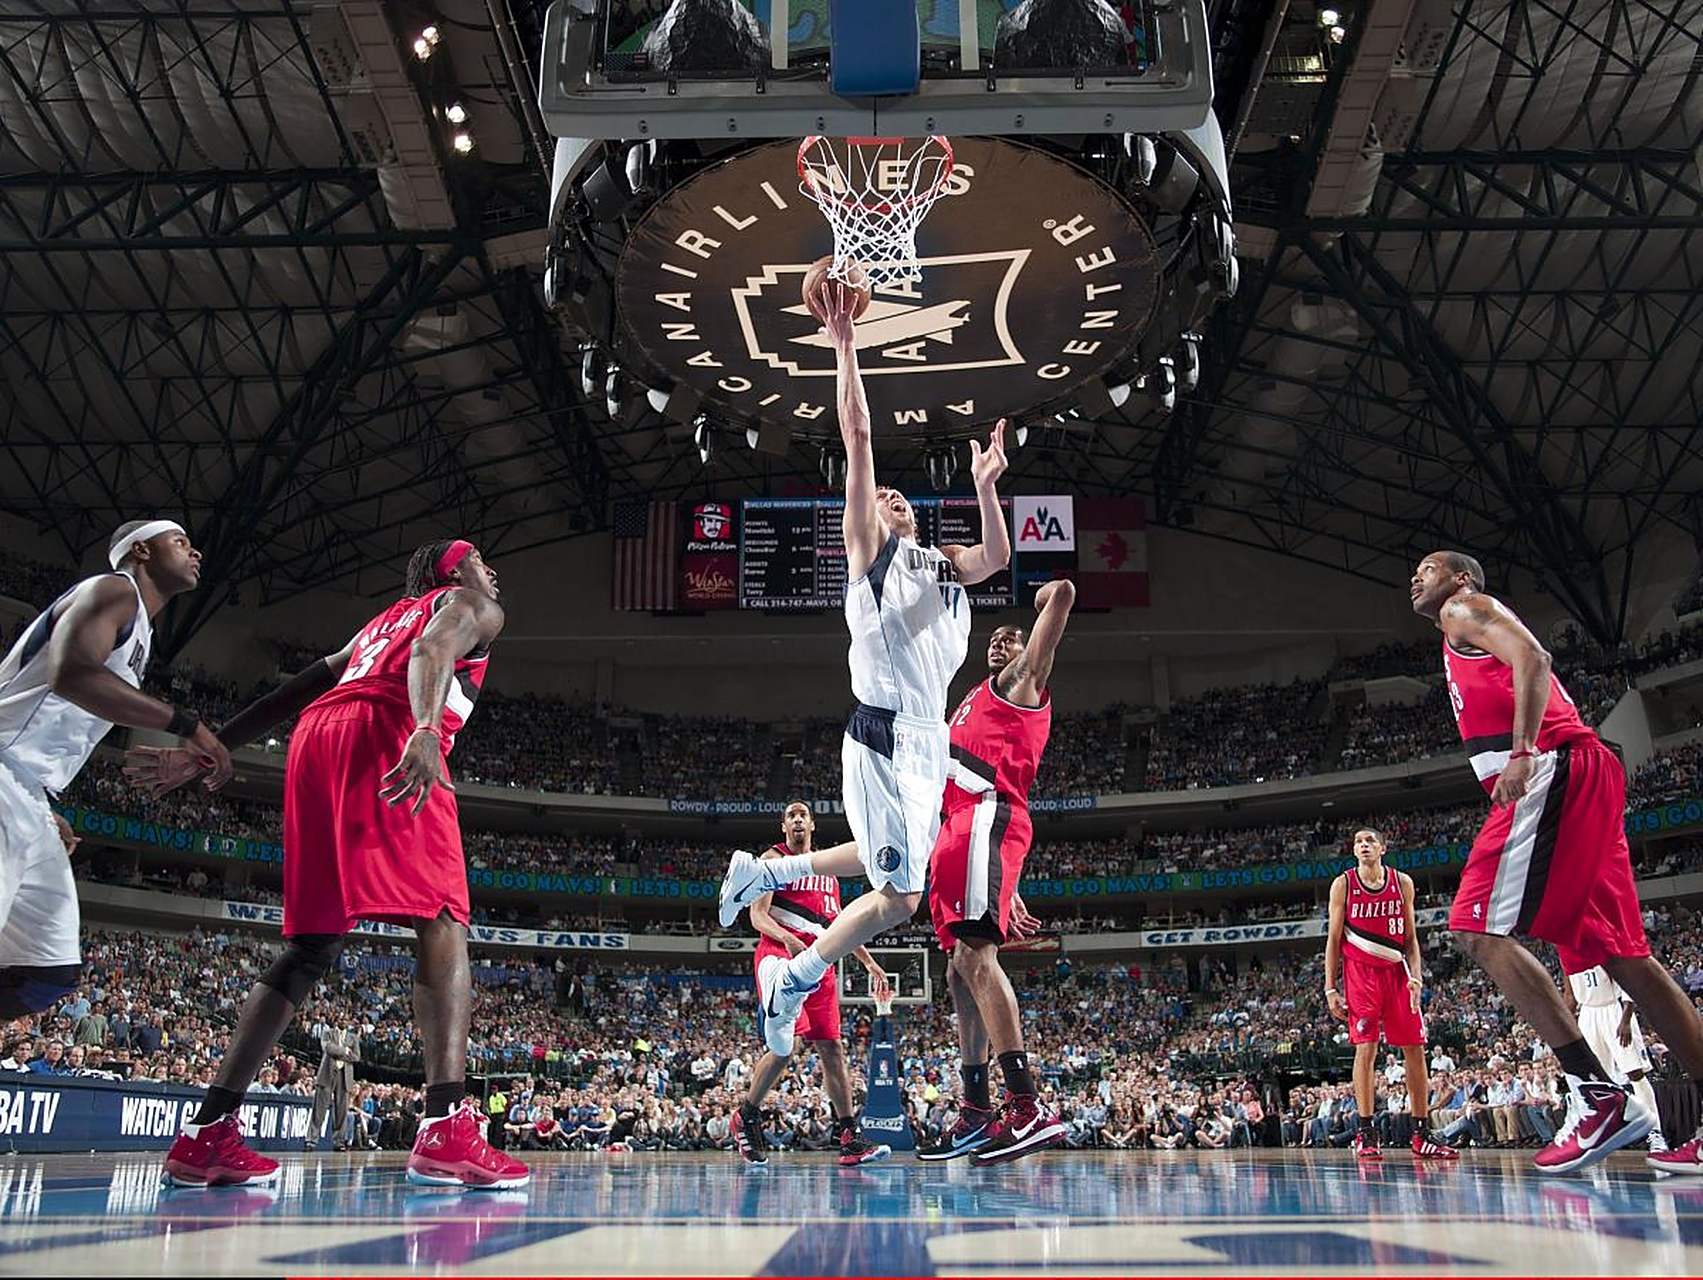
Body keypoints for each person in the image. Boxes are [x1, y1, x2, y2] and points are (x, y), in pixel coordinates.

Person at [129, 538, 528, 1190]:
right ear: (451, 570)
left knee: (312, 945)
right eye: (482, 557)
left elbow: (297, 690)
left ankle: (208, 1133)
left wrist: (210, 748)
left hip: (317, 739)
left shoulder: (377, 623)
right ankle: (445, 1127)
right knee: (444, 916)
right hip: (385, 727)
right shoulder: (470, 604)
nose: (493, 569)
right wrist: (426, 732)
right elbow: (432, 653)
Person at [719, 276, 1011, 1059]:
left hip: (925, 745)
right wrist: (845, 343)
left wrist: (985, 487)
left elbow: (995, 556)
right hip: (883, 731)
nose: (890, 495)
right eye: (879, 497)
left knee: (897, 868)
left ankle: (760, 874)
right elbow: (855, 436)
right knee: (901, 894)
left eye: (898, 495)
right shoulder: (870, 556)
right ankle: (800, 973)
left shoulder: (941, 566)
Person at [1412, 550, 1703, 1173]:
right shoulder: (1456, 634)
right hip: (1586, 773)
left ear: (1461, 579)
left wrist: (1521, 751)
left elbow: (1535, 658)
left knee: (1472, 929)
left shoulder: (1467, 608)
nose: (1417, 576)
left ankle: (1599, 1097)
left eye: (1429, 567)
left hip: (1554, 767)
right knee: (1629, 958)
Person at [0, 520, 231, 1022]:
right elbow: (72, 673)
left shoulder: (140, 631)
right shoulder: (113, 589)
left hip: (27, 791)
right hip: (2, 772)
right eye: (181, 542)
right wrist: (187, 725)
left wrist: (43, 804)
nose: (195, 552)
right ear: (142, 550)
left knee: (47, 971)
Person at [920, 582, 1077, 1165]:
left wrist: (1047, 600)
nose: (1001, 643)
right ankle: (978, 1106)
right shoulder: (973, 698)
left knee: (977, 958)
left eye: (1012, 637)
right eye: (995, 637)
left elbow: (1062, 597)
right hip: (962, 826)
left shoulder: (1022, 683)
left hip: (983, 816)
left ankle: (1026, 1103)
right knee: (960, 963)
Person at [729, 802, 894, 1168]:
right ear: (784, 825)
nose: (798, 819)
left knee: (832, 1048)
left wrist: (870, 963)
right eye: (792, 815)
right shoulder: (771, 859)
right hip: (781, 956)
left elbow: (840, 927)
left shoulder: (827, 873)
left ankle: (849, 1136)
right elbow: (758, 916)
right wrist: (786, 938)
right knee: (785, 1047)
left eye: (804, 814)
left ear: (813, 825)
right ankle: (747, 1115)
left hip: (820, 961)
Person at [1323, 827, 1458, 1162]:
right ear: (1354, 851)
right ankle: (1366, 1132)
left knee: (1415, 1047)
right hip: (1361, 974)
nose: (1363, 845)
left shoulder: (1403, 883)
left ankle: (1422, 1132)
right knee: (1366, 1048)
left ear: (1382, 848)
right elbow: (1333, 940)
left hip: (1399, 973)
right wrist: (1330, 988)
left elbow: (1412, 939)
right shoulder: (1343, 884)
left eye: (1370, 841)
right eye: (1358, 842)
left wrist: (1418, 977)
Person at [1559, 952, 1667, 1153]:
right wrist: (1563, 1028)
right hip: (1588, 1014)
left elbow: (1628, 983)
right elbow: (1569, 995)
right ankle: (1600, 1137)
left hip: (1614, 1009)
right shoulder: (1565, 952)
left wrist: (1626, 1019)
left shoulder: (1598, 944)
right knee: (1595, 1078)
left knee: (1634, 1073)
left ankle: (1655, 1132)